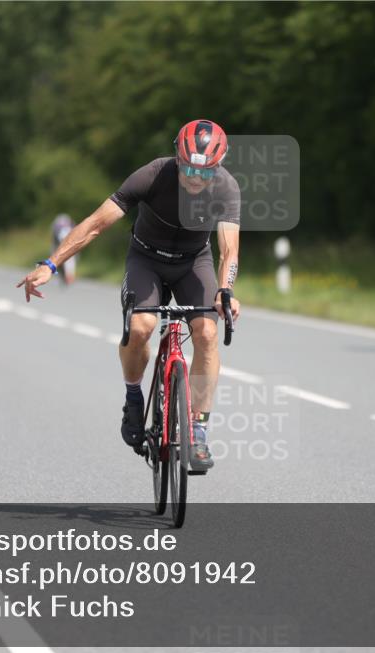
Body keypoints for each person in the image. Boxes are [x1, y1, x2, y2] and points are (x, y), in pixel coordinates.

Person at [17, 119, 241, 471]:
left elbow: (228, 249)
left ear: (218, 167)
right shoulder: (151, 175)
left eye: (206, 173)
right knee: (141, 327)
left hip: (193, 264)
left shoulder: (226, 188)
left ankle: (197, 431)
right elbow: (95, 224)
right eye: (188, 170)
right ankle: (134, 397)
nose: (196, 180)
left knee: (208, 332)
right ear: (177, 159)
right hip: (146, 259)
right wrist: (51, 264)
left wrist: (225, 290)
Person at [50, 213, 77, 284]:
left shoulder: (70, 227)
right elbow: (54, 241)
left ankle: (69, 275)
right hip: (57, 242)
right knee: (54, 256)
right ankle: (57, 271)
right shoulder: (56, 227)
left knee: (70, 258)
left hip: (69, 240)